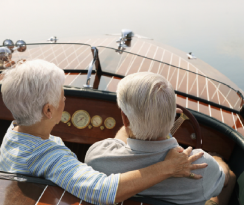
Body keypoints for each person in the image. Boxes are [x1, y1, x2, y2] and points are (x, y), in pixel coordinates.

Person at [0, 60, 207, 205]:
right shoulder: (48, 158)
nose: (64, 98)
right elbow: (104, 191)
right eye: (62, 94)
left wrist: (160, 125)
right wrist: (168, 167)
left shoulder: (14, 134)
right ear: (49, 111)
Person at [85, 72, 236, 205]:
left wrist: (133, 122)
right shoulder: (201, 164)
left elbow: (119, 140)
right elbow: (226, 179)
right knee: (231, 176)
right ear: (174, 116)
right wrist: (218, 159)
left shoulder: (98, 158)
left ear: (125, 119)